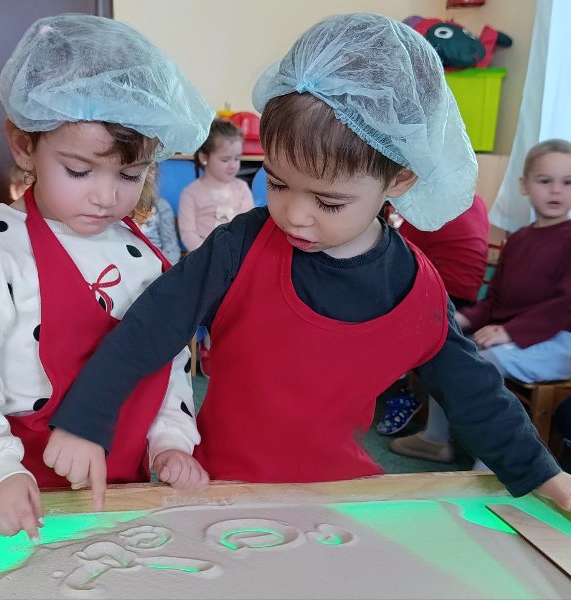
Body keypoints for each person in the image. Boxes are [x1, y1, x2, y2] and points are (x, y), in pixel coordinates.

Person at [42, 13, 571, 513]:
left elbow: (474, 393)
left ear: (400, 179)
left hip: (339, 502)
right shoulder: (239, 246)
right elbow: (150, 327)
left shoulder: (415, 287)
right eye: (276, 183)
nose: (294, 215)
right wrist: (86, 421)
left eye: (329, 202)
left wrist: (543, 475)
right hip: (220, 490)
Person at [0, 14, 214, 543]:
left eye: (130, 174)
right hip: (24, 495)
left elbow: (167, 363)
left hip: (122, 495)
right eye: (79, 170)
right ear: (24, 144)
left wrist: (170, 441)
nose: (106, 197)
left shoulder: (142, 257)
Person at [392, 139, 571, 463]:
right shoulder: (518, 240)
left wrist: (510, 331)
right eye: (545, 181)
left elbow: (565, 304)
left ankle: (490, 464)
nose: (556, 190)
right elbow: (495, 301)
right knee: (447, 348)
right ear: (524, 185)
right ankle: (436, 439)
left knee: (486, 361)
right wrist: (460, 319)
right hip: (517, 337)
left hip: (559, 341)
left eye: (568, 182)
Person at [376, 194, 490, 435]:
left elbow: (399, 251)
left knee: (372, 316)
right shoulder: (472, 200)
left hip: (442, 294)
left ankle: (399, 394)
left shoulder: (429, 203)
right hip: (464, 296)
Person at [177, 119, 254, 251]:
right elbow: (188, 234)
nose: (233, 165)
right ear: (204, 158)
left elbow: (249, 227)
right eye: (225, 159)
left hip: (237, 254)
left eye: (237, 158)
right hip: (203, 256)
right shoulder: (190, 193)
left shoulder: (241, 188)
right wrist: (208, 255)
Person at [140, 195, 181, 263]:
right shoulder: (122, 205)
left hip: (157, 261)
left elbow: (170, 245)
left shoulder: (161, 205)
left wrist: (165, 266)